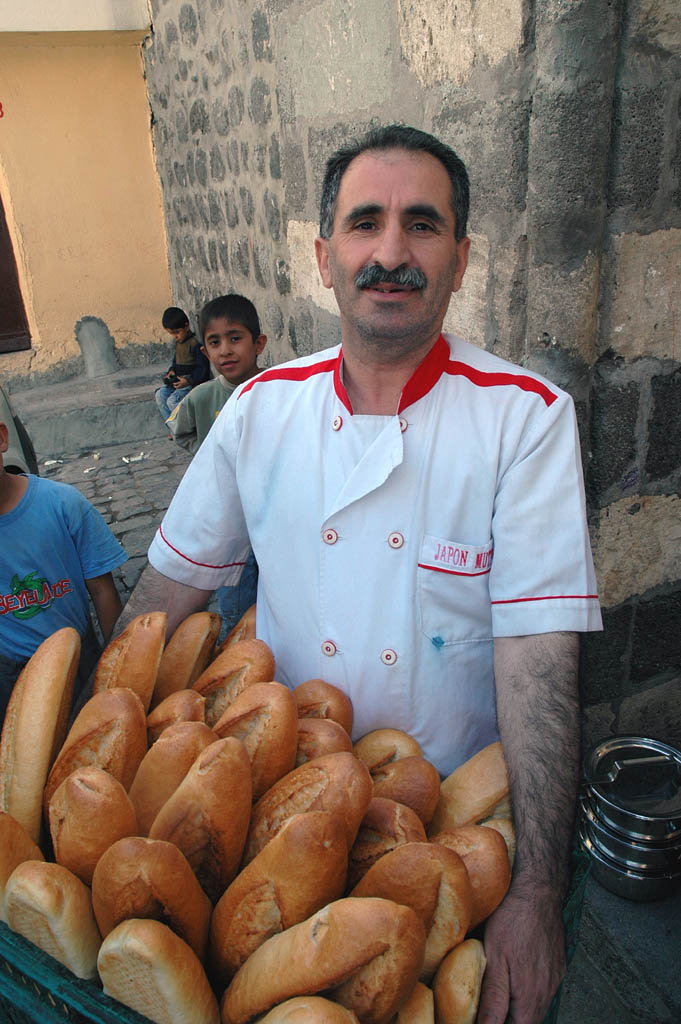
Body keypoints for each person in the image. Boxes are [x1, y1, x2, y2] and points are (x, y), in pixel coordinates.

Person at [116, 124, 602, 1023]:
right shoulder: (260, 410)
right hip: (274, 821)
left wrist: (536, 890)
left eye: (421, 225)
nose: (390, 252)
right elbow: (162, 601)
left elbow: (539, 657)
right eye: (364, 223)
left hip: (454, 834)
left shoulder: (525, 420)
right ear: (322, 254)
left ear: (460, 259)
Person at [0, 420, 127, 721]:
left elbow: (103, 591)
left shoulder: (62, 504)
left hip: (78, 660)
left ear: (2, 438)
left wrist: (115, 667)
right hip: (8, 675)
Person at [166, 294, 267, 633]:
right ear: (205, 352)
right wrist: (205, 452)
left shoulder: (280, 389)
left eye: (235, 338)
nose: (226, 350)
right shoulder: (201, 397)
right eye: (215, 342)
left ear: (259, 343)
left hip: (271, 514)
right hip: (228, 519)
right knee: (234, 607)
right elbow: (179, 431)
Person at [154, 306, 209, 422]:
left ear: (186, 326)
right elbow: (176, 362)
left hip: (190, 384)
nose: (175, 336)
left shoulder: (195, 345)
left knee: (172, 401)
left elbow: (202, 370)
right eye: (171, 333)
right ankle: (172, 427)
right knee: (160, 395)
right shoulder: (178, 343)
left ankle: (184, 429)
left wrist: (188, 381)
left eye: (177, 332)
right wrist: (171, 371)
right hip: (179, 382)